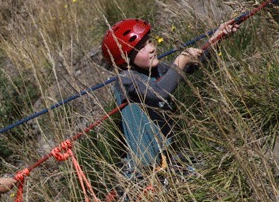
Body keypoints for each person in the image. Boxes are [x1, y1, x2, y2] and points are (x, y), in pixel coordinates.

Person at [101, 18, 239, 175]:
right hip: (146, 171)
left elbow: (191, 66)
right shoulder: (125, 79)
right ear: (125, 60)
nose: (151, 48)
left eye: (149, 42)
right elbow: (159, 93)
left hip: (169, 160)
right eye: (141, 48)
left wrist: (217, 37)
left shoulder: (155, 69)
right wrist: (180, 60)